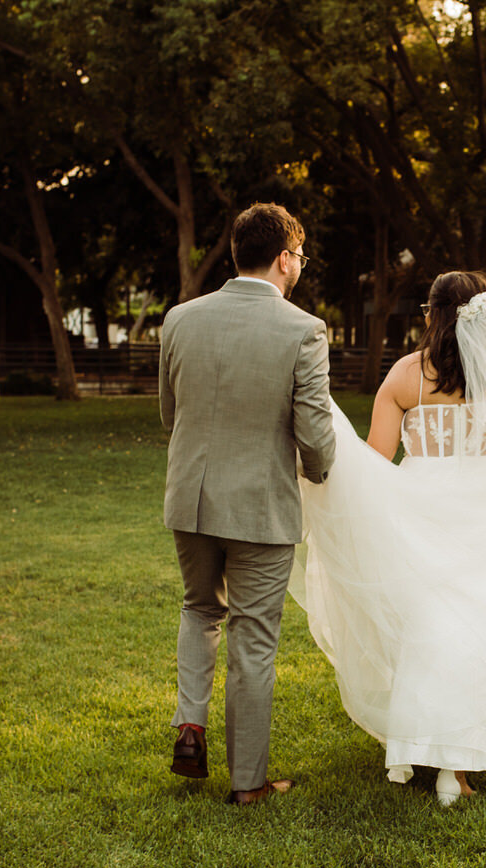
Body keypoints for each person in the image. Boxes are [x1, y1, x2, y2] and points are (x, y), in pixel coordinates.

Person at [290, 271, 486, 806]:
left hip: (424, 515)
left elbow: (375, 459)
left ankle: (437, 759)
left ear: (429, 314)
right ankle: (454, 769)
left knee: (433, 630)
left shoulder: (406, 376)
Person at [159, 202, 336, 805]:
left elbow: (169, 412)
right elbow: (314, 433)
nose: (300, 268)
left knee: (198, 608)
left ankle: (190, 725)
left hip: (190, 496)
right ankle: (248, 784)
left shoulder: (180, 320)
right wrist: (321, 472)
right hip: (260, 506)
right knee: (254, 637)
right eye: (300, 257)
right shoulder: (303, 329)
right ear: (285, 258)